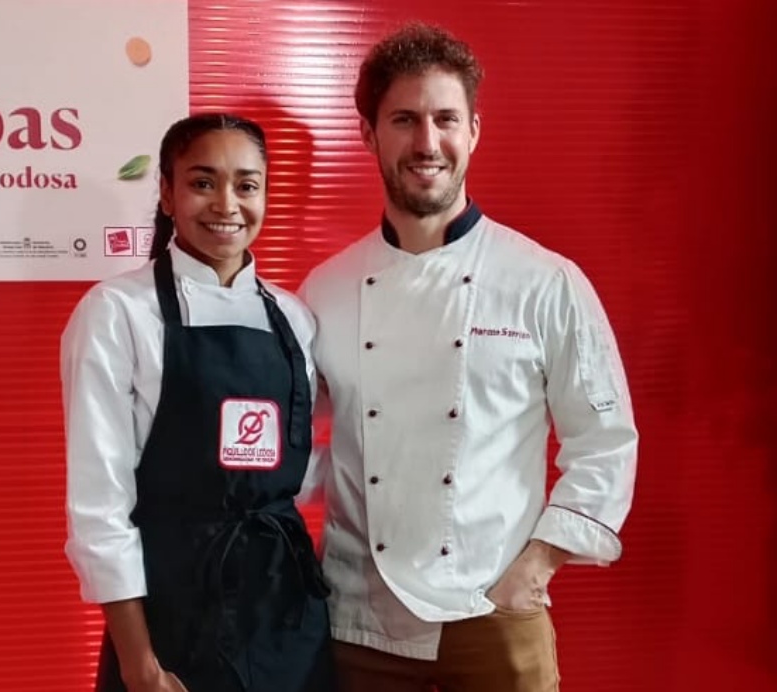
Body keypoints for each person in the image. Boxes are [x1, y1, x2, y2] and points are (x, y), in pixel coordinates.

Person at [297, 22, 639, 692]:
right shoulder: (326, 290)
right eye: (404, 120)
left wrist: (535, 568)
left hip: (493, 610)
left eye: (445, 119)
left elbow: (606, 440)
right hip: (360, 617)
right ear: (368, 134)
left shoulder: (544, 281)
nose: (427, 142)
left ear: (474, 131)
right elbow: (291, 446)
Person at [61, 113, 336, 692]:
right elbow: (100, 505)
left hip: (286, 609)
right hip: (173, 611)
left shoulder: (294, 318)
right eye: (203, 182)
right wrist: (140, 664)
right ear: (167, 193)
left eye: (246, 185)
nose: (226, 204)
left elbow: (297, 468)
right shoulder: (117, 312)